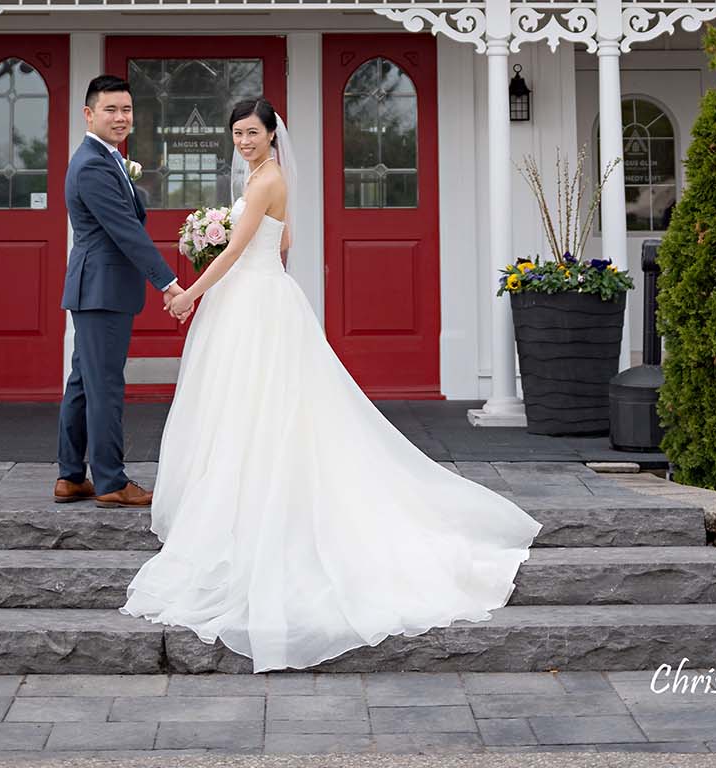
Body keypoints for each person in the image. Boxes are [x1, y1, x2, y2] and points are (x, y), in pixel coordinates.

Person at [121, 97, 541, 671]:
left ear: (272, 135)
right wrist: (221, 237)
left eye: (252, 132)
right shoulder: (264, 177)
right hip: (259, 294)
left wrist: (191, 290)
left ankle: (257, 505)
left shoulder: (266, 179)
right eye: (237, 133)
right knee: (251, 406)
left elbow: (244, 246)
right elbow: (284, 243)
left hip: (255, 301)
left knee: (260, 401)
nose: (243, 141)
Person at [55, 74, 179, 507]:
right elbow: (126, 230)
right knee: (104, 385)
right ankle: (110, 481)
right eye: (111, 109)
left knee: (85, 383)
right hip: (101, 289)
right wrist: (167, 280)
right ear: (89, 114)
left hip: (97, 287)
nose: (121, 117)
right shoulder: (92, 163)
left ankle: (71, 476)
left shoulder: (107, 158)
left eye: (126, 109)